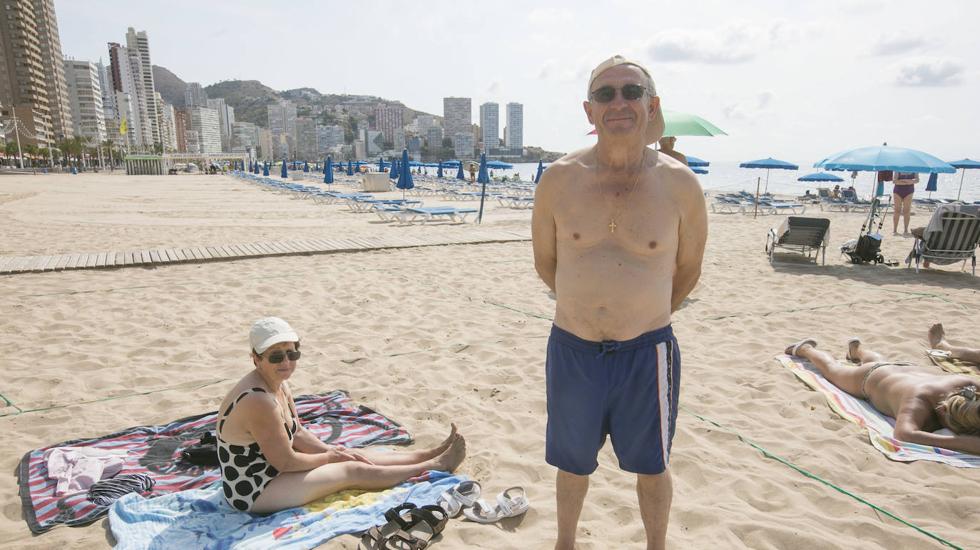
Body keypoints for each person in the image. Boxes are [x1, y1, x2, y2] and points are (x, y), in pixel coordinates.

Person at [532, 55, 707, 550]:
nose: (619, 102)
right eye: (605, 94)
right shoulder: (558, 179)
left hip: (645, 352)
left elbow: (689, 270)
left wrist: (640, 314)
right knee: (572, 461)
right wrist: (587, 307)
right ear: (589, 111)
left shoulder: (681, 185)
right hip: (572, 348)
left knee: (652, 464)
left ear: (652, 106)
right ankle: (565, 542)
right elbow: (547, 263)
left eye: (631, 92)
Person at [217, 317, 466, 514]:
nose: (286, 362)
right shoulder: (258, 400)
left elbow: (298, 433)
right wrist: (330, 458)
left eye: (292, 353)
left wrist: (332, 451)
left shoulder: (278, 382)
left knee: (350, 453)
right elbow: (285, 462)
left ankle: (426, 454)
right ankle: (434, 466)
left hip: (271, 470)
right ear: (256, 359)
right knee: (350, 470)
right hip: (253, 490)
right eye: (276, 356)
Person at [785, 338, 980, 455]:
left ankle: (857, 350)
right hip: (868, 379)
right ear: (943, 411)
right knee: (832, 370)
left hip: (902, 371)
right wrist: (961, 443)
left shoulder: (969, 385)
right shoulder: (918, 403)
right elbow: (903, 434)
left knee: (877, 361)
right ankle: (806, 349)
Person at [893, 171, 919, 235]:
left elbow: (917, 180)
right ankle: (895, 230)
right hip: (897, 191)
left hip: (909, 191)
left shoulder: (914, 168)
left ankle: (905, 230)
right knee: (897, 210)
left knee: (907, 211)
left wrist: (902, 181)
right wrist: (909, 181)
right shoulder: (898, 168)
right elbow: (894, 181)